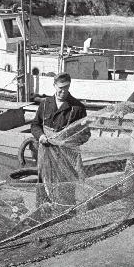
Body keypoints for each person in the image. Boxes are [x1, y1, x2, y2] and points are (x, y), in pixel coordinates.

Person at [30, 73, 90, 206]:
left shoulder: (77, 108)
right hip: (45, 153)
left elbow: (86, 134)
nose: (63, 91)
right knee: (44, 184)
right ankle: (42, 212)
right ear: (54, 86)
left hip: (66, 157)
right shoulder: (45, 104)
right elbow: (35, 125)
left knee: (65, 188)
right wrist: (40, 136)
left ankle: (66, 215)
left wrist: (68, 141)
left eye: (67, 87)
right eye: (60, 87)